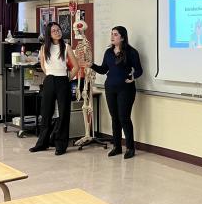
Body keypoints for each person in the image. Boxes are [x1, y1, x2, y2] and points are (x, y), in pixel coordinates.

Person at [87, 26, 142, 158]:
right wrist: (91, 65)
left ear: (122, 37)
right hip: (110, 88)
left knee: (124, 118)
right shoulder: (109, 52)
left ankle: (130, 148)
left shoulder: (131, 52)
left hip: (126, 89)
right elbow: (103, 69)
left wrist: (133, 77)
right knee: (115, 118)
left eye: (115, 34)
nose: (112, 37)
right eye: (111, 34)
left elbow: (139, 70)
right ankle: (117, 146)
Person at [30, 22, 79, 155]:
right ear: (49, 34)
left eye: (58, 30)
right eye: (54, 31)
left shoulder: (66, 47)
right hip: (50, 80)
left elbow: (76, 67)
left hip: (62, 80)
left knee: (63, 113)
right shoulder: (44, 47)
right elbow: (43, 66)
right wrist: (50, 78)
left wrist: (66, 79)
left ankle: (61, 145)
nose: (57, 32)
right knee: (46, 113)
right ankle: (42, 143)